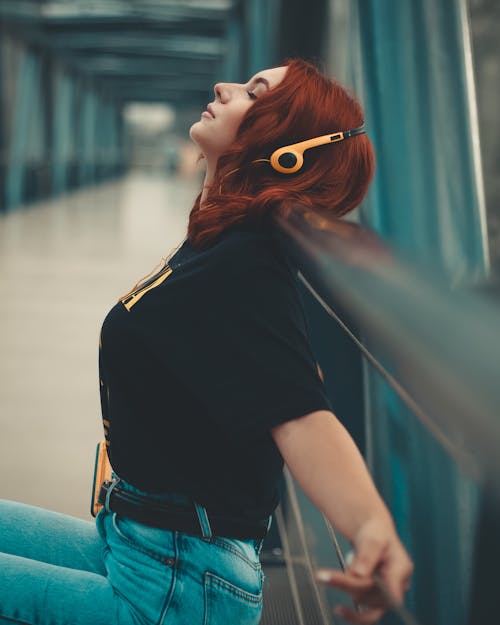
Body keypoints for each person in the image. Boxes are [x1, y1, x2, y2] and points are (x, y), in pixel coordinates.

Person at [0, 59, 413, 625]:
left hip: (177, 586)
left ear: (288, 145)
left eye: (254, 91)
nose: (224, 87)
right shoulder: (219, 239)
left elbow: (300, 416)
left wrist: (369, 526)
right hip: (138, 545)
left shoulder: (246, 264)